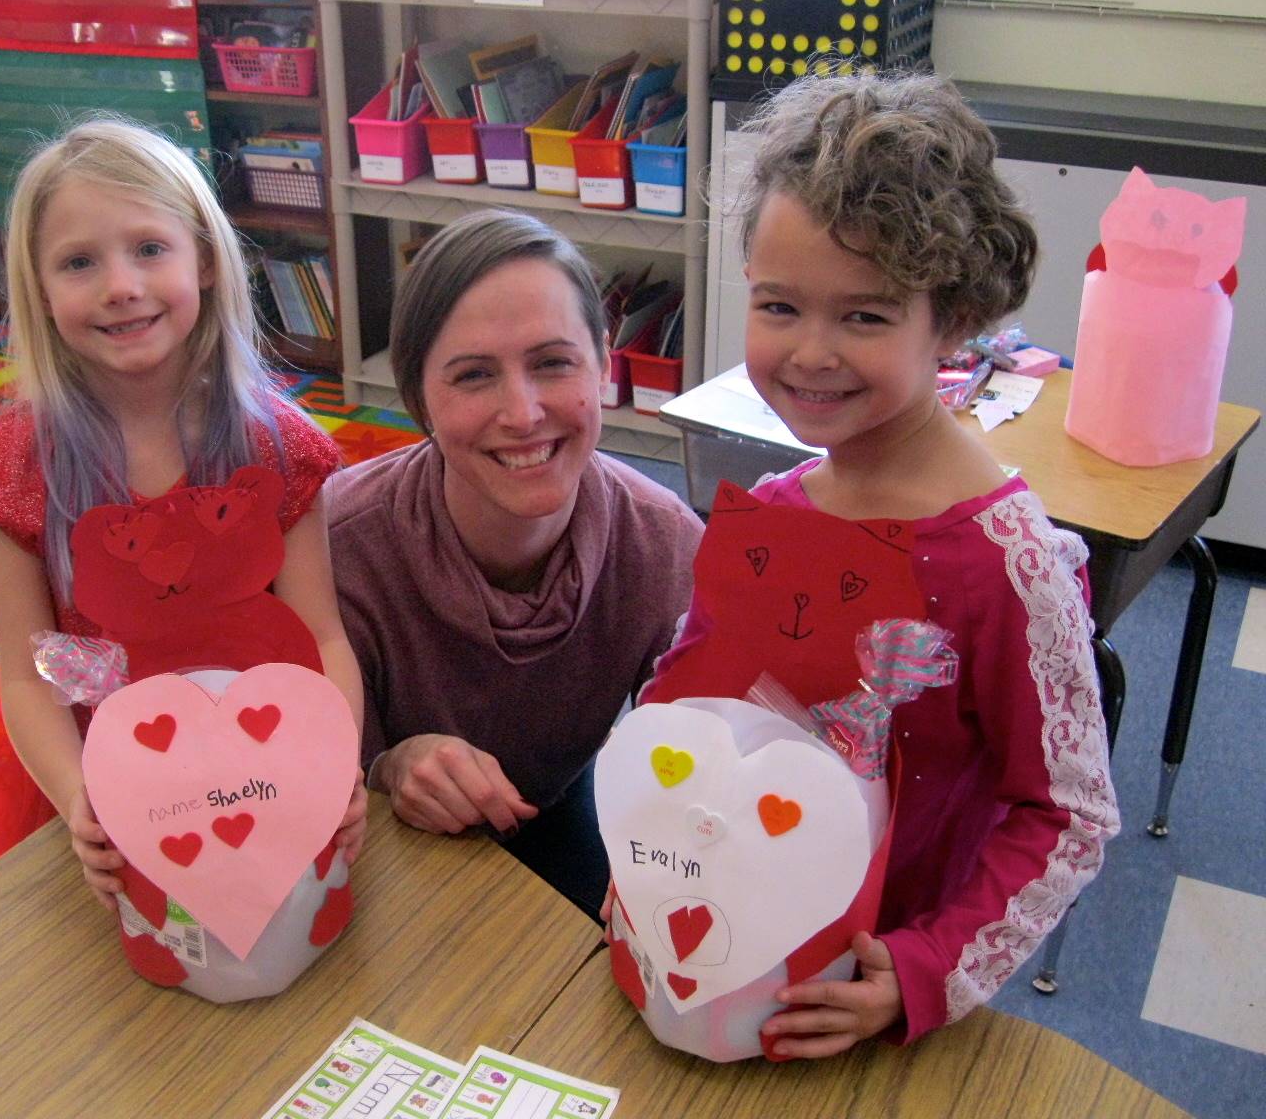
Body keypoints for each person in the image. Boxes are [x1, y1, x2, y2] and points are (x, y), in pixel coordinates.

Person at [646, 72, 1120, 1055]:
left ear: (948, 323)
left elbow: (1064, 814)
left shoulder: (1006, 561)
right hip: (731, 944)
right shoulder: (774, 512)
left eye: (863, 317)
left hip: (874, 982)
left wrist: (923, 973)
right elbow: (691, 708)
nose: (809, 352)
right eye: (779, 306)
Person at [0, 116, 365, 907]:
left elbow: (322, 635)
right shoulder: (15, 467)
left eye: (149, 249)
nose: (120, 286)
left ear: (203, 259)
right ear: (38, 289)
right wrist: (79, 799)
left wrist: (331, 761)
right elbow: (28, 679)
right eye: (77, 262)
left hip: (262, 767)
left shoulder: (277, 446)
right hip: (108, 776)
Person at [326, 210, 704, 921]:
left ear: (603, 366)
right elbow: (312, 788)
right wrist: (389, 765)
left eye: (553, 363)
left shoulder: (665, 546)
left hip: (558, 810)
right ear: (419, 401)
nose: (523, 413)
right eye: (473, 376)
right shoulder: (338, 546)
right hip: (379, 844)